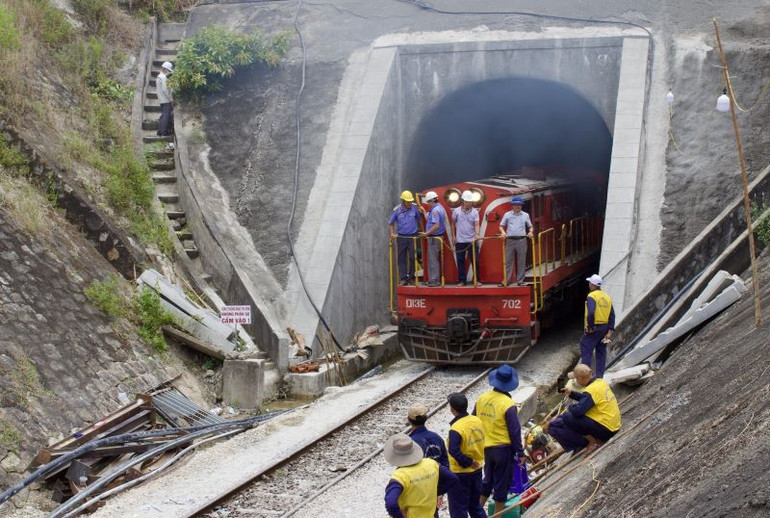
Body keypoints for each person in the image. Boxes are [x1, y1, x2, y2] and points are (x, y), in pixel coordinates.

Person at [474, 365, 525, 513]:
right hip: (503, 450)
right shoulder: (508, 404)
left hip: (486, 449)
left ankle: (476, 512)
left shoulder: (482, 398)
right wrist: (520, 453)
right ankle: (497, 516)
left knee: (487, 481)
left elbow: (474, 420)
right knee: (501, 486)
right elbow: (514, 432)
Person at [544, 364, 621, 454]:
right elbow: (586, 399)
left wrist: (569, 407)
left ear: (580, 379)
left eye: (576, 379)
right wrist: (571, 394)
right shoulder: (600, 382)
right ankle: (592, 439)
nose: (576, 381)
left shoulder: (590, 391)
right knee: (571, 415)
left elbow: (578, 412)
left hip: (607, 430)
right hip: (614, 425)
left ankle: (593, 442)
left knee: (568, 417)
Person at [384, 433, 458, 518]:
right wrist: (435, 492)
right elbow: (453, 479)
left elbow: (391, 504)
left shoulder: (400, 476)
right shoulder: (431, 463)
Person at [445, 393, 486, 518]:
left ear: (452, 409)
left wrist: (468, 462)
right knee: (475, 506)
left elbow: (453, 450)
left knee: (458, 510)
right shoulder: (477, 420)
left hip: (460, 473)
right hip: (477, 469)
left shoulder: (456, 428)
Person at [407, 403, 450, 517]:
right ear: (426, 418)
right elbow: (446, 463)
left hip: (419, 490)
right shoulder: (436, 437)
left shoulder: (411, 442)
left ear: (409, 419)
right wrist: (440, 491)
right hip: (435, 485)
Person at [580, 274, 615, 378]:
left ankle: (585, 377)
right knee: (601, 352)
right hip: (604, 328)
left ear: (592, 284)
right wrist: (610, 331)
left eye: (590, 283)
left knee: (586, 347)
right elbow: (612, 315)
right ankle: (599, 377)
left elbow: (591, 313)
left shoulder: (592, 296)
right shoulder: (607, 297)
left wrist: (590, 327)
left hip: (595, 328)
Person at [498, 197, 533, 286]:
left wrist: (530, 232)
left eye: (519, 205)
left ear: (521, 206)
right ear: (512, 206)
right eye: (515, 205)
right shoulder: (507, 215)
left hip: (521, 240)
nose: (517, 206)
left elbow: (530, 226)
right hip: (510, 240)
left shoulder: (526, 215)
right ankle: (506, 281)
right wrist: (502, 232)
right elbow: (501, 226)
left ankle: (520, 281)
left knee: (521, 261)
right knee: (508, 261)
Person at [389, 191, 422, 285]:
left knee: (413, 257)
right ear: (403, 201)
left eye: (410, 201)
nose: (409, 203)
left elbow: (419, 220)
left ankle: (411, 277)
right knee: (402, 258)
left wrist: (423, 232)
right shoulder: (397, 210)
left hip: (413, 237)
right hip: (401, 237)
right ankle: (403, 278)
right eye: (408, 202)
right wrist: (392, 233)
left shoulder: (414, 208)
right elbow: (390, 223)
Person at [419, 191, 448, 287]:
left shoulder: (435, 211)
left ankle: (435, 280)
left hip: (434, 238)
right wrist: (424, 212)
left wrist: (426, 233)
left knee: (433, 259)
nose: (428, 204)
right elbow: (431, 221)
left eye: (428, 202)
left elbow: (436, 225)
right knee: (433, 259)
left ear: (432, 201)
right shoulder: (439, 208)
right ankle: (433, 279)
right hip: (436, 237)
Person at [452, 191, 480, 286]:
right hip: (460, 241)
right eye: (466, 201)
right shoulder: (456, 211)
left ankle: (477, 280)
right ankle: (462, 281)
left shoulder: (475, 212)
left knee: (475, 260)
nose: (468, 203)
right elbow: (453, 224)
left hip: (472, 241)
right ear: (463, 201)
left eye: (470, 202)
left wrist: (477, 235)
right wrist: (453, 236)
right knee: (460, 261)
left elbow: (476, 224)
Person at [156, 61, 174, 136]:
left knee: (163, 115)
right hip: (165, 100)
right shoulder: (163, 78)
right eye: (169, 71)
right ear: (166, 69)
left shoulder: (159, 77)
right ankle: (163, 132)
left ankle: (159, 131)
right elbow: (165, 90)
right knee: (166, 116)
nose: (169, 72)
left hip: (161, 99)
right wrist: (171, 99)